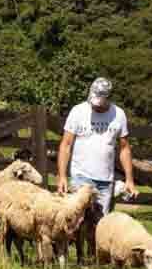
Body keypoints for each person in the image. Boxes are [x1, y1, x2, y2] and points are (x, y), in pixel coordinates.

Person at [56, 77, 138, 216]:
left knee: (100, 227)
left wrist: (129, 180)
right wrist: (62, 176)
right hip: (80, 178)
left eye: (99, 102)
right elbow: (66, 145)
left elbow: (124, 148)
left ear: (108, 97)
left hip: (105, 181)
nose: (95, 105)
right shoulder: (78, 111)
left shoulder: (118, 115)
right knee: (77, 222)